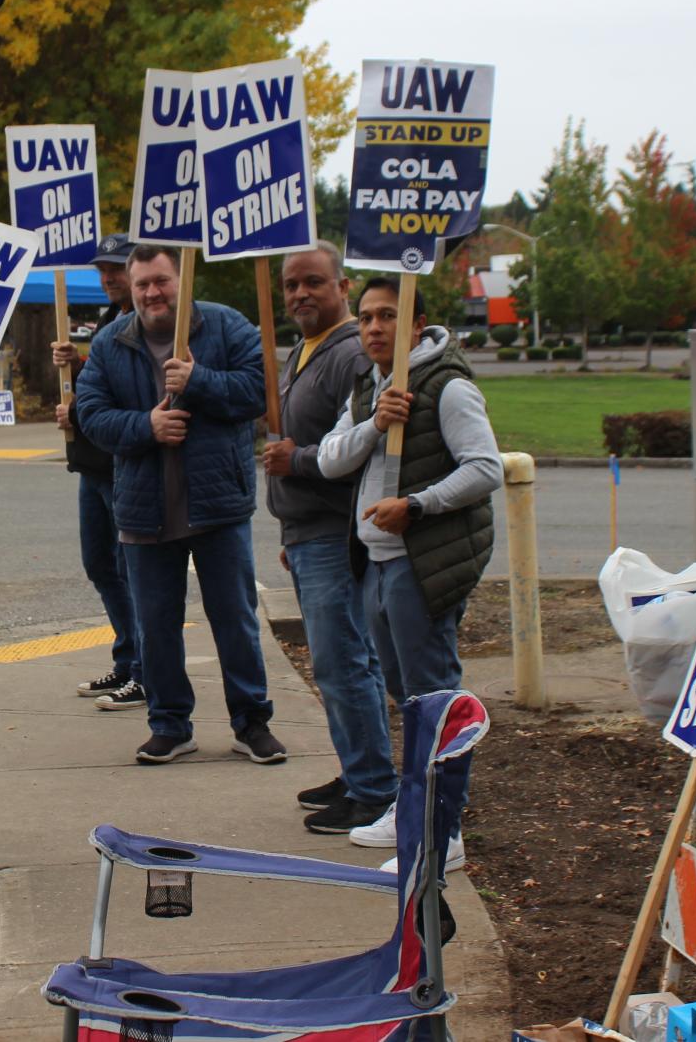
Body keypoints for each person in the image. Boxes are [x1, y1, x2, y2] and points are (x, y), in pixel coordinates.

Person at [73, 244, 287, 766]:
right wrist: (147, 426)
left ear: (181, 279)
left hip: (218, 506)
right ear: (132, 285)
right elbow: (91, 415)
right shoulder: (109, 344)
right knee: (155, 623)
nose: (153, 293)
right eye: (143, 283)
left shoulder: (224, 326)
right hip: (145, 511)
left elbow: (260, 392)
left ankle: (251, 722)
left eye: (162, 281)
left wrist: (200, 381)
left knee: (234, 618)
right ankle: (170, 724)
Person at [317, 275, 502, 866]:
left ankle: (442, 831)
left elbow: (485, 468)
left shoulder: (446, 386)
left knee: (435, 697)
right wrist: (374, 421)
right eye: (367, 317)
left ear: (416, 326)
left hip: (421, 564)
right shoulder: (368, 387)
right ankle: (412, 806)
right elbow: (329, 458)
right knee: (406, 696)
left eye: (389, 317)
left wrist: (417, 505)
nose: (374, 327)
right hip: (376, 563)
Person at [261, 243, 392, 835]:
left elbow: (365, 442)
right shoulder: (305, 350)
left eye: (313, 282)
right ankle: (357, 769)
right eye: (291, 285)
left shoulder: (350, 356)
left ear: (343, 284)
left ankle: (373, 791)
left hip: (337, 534)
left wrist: (300, 461)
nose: (299, 295)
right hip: (309, 531)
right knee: (341, 661)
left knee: (344, 664)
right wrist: (293, 526)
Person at [52, 233, 144, 710]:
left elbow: (125, 391)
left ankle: (145, 670)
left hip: (118, 461)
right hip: (93, 463)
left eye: (117, 268)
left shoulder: (144, 322)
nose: (109, 277)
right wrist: (78, 367)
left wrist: (80, 409)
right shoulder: (112, 318)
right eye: (103, 271)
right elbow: (100, 380)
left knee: (131, 568)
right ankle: (129, 660)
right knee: (101, 564)